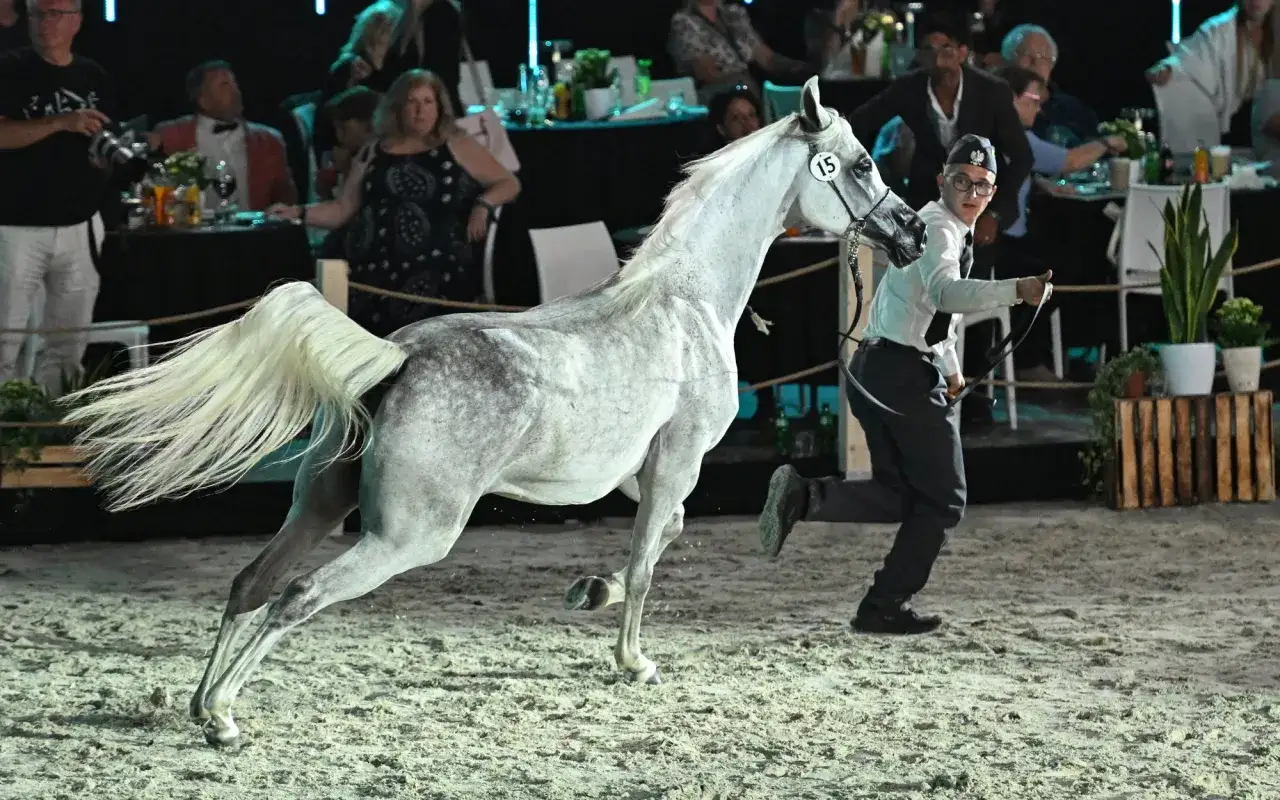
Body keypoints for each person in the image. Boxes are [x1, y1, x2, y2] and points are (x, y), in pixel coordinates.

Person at [757, 134, 1051, 635]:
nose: (972, 192)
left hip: (878, 369)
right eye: (962, 181)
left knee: (901, 495)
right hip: (899, 376)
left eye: (981, 184)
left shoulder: (939, 227)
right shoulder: (939, 228)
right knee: (945, 500)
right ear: (943, 181)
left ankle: (804, 498)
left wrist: (953, 369)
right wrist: (1015, 292)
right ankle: (884, 603)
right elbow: (945, 292)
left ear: (993, 190)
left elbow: (931, 313)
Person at [267, 70, 519, 338]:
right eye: (412, 102)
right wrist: (297, 212)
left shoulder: (457, 144)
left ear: (440, 106)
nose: (420, 111)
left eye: (427, 102)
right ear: (398, 107)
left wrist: (483, 204)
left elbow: (508, 183)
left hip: (436, 264)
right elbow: (343, 209)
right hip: (373, 267)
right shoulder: (374, 148)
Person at [981, 65, 1125, 383]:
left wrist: (1041, 184)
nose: (1039, 106)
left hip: (1004, 239)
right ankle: (1027, 360)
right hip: (999, 245)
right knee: (1061, 274)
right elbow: (1070, 160)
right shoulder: (1014, 135)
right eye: (1032, 99)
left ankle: (1037, 355)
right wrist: (1106, 143)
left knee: (1065, 263)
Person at [0, 0, 115, 392]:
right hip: (16, 224)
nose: (45, 23)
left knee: (68, 340)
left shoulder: (93, 75)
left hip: (80, 222)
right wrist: (61, 122)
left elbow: (104, 137)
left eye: (54, 13)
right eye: (36, 13)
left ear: (76, 21)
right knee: (5, 338)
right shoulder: (10, 68)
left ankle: (51, 429)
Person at [846, 13, 1031, 251]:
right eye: (928, 49)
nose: (938, 56)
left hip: (981, 203)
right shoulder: (908, 88)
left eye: (946, 47)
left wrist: (995, 214)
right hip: (927, 204)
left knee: (975, 281)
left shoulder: (991, 92)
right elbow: (859, 122)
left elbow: (1022, 157)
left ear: (962, 53)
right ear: (920, 56)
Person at [150, 61, 297, 212]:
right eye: (225, 85)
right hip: (192, 232)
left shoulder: (269, 140)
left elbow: (286, 198)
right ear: (203, 100)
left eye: (235, 85)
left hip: (253, 232)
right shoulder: (170, 135)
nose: (236, 91)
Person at [1147, 0, 1275, 147]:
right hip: (1238, 124)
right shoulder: (1221, 28)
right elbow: (1193, 55)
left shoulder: (1275, 28)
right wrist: (1170, 68)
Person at [668, 0, 815, 104]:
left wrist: (802, 67)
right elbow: (707, 74)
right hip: (715, 96)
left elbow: (767, 58)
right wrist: (740, 82)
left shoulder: (734, 14)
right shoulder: (684, 22)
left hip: (747, 90)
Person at [999, 24, 1098, 147]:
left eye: (1043, 57)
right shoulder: (995, 105)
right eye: (1026, 55)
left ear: (1053, 64)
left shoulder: (1075, 111)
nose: (1035, 63)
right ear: (1007, 60)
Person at [379, 0, 463, 117]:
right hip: (414, 116)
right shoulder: (407, 15)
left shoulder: (441, 13)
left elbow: (440, 75)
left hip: (429, 118)